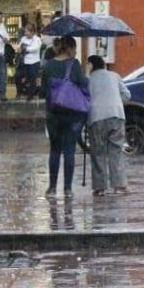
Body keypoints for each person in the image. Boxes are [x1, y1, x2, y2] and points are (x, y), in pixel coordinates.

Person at [40, 36, 88, 197]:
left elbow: (43, 90)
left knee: (54, 150)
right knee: (69, 150)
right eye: (74, 49)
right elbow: (83, 85)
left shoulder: (48, 65)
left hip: (53, 114)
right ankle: (67, 188)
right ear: (69, 49)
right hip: (72, 115)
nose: (75, 52)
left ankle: (52, 188)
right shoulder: (74, 65)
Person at [86, 55, 130, 197]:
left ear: (90, 66)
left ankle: (99, 188)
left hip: (96, 117)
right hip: (116, 115)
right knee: (116, 151)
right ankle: (119, 185)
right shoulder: (114, 75)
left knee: (98, 152)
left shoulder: (88, 80)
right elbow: (127, 95)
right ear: (104, 65)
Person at [16, 23, 42, 100]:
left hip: (34, 62)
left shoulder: (37, 39)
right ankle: (19, 92)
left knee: (32, 79)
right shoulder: (23, 38)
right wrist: (20, 49)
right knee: (17, 76)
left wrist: (25, 49)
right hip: (24, 62)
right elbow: (19, 47)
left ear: (32, 32)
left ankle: (30, 95)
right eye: (25, 31)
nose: (25, 33)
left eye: (27, 31)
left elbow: (35, 49)